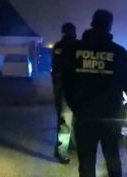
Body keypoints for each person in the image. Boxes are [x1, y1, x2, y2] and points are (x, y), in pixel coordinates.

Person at [64, 10, 127, 177]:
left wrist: (76, 106)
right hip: (110, 116)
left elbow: (66, 82)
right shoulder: (118, 52)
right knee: (112, 158)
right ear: (109, 26)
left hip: (85, 116)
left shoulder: (75, 50)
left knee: (86, 161)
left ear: (92, 22)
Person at [51, 22, 77, 164]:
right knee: (67, 120)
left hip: (63, 87)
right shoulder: (75, 46)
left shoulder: (58, 47)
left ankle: (64, 147)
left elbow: (56, 69)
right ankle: (62, 150)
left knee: (64, 119)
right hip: (69, 87)